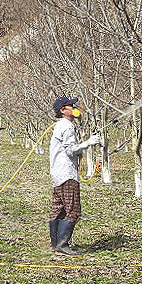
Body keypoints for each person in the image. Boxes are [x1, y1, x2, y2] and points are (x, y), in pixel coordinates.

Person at [48, 96, 100, 255]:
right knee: (73, 210)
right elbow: (70, 150)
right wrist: (89, 142)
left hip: (57, 174)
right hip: (67, 175)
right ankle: (62, 245)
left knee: (58, 209)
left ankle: (55, 244)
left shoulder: (60, 126)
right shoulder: (67, 126)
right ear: (63, 111)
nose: (74, 107)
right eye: (70, 105)